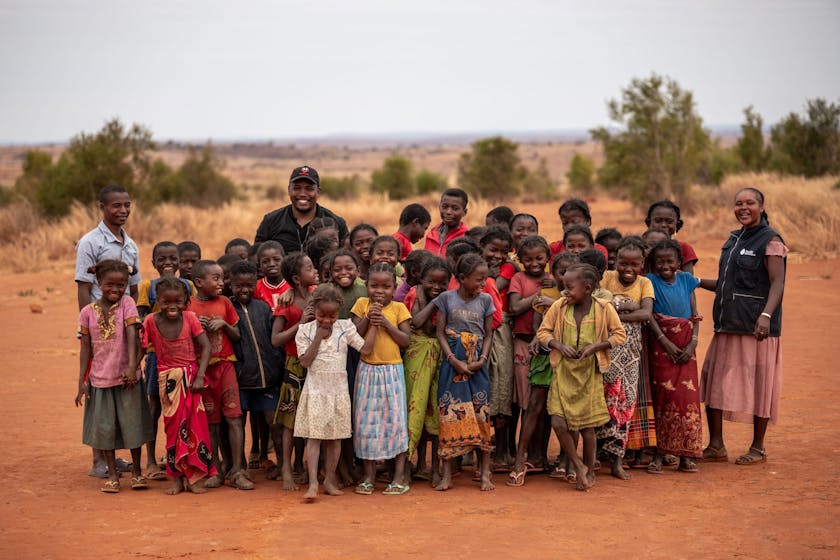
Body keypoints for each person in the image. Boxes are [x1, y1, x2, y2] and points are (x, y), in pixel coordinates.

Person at [700, 187, 786, 466]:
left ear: (761, 206)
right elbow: (725, 284)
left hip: (755, 328)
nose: (743, 207)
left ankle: (758, 447)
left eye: (750, 202)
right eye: (738, 203)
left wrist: (766, 316)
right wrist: (693, 281)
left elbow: (777, 283)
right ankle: (716, 445)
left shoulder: (770, 240)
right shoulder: (734, 239)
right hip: (727, 324)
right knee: (714, 380)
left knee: (759, 384)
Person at [537, 264, 626, 491]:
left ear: (587, 288)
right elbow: (543, 333)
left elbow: (619, 335)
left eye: (569, 287)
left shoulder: (604, 308)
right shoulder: (559, 307)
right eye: (563, 286)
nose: (564, 291)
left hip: (589, 374)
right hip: (563, 373)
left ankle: (589, 468)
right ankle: (577, 465)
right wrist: (558, 345)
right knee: (558, 421)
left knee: (587, 429)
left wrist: (597, 346)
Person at [75, 185, 141, 478]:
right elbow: (83, 287)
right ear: (101, 206)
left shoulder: (131, 245)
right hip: (99, 332)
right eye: (116, 206)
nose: (123, 211)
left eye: (126, 205)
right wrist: (86, 328)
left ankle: (114, 456)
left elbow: (135, 288)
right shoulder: (90, 242)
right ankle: (98, 461)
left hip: (123, 328)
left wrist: (135, 322)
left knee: (121, 393)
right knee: (99, 393)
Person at [76, 260, 152, 493]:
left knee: (133, 426)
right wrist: (81, 381)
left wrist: (132, 367)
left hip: (127, 379)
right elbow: (85, 348)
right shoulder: (87, 312)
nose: (116, 290)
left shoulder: (127, 304)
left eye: (121, 285)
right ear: (99, 283)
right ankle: (112, 475)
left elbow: (132, 335)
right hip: (100, 379)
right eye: (110, 284)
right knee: (105, 429)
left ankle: (137, 472)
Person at [295, 285, 375, 501]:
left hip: (339, 391)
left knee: (335, 439)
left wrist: (375, 324)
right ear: (314, 310)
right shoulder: (305, 330)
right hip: (316, 391)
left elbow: (365, 349)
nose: (327, 320)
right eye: (322, 315)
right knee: (314, 438)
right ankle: (313, 483)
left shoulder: (345, 327)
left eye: (332, 315)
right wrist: (318, 337)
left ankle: (330, 479)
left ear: (339, 311)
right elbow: (305, 362)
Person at [507, 251, 579, 486]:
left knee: (570, 411)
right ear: (553, 273)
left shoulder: (581, 297)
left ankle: (568, 461)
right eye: (561, 272)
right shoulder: (545, 294)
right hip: (546, 357)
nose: (565, 278)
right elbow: (539, 327)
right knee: (534, 407)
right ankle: (520, 459)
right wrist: (540, 337)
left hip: (572, 360)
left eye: (570, 273)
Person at [141, 276, 215, 495]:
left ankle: (194, 478)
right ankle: (176, 477)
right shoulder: (151, 321)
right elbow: (142, 349)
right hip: (168, 381)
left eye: (177, 302)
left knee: (196, 429)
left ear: (185, 302)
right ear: (158, 301)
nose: (171, 306)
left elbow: (206, 347)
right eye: (165, 301)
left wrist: (200, 377)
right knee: (173, 429)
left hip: (192, 378)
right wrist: (131, 370)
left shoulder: (190, 318)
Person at [433, 253, 496, 492]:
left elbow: (489, 334)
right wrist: (453, 359)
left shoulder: (486, 300)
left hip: (478, 365)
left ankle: (485, 474)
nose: (483, 284)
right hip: (453, 363)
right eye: (478, 279)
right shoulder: (446, 298)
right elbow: (440, 333)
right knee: (450, 414)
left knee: (481, 415)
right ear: (461, 278)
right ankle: (447, 474)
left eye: (485, 279)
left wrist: (482, 358)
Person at [136, 241, 196, 481]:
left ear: (180, 262)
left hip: (184, 355)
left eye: (173, 258)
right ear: (153, 263)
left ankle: (185, 456)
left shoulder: (188, 285)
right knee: (155, 407)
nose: (168, 263)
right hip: (155, 355)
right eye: (162, 259)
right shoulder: (147, 287)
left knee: (185, 408)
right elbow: (142, 318)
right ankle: (150, 460)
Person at [189, 260, 251, 490]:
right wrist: (197, 325)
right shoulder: (189, 306)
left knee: (234, 418)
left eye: (222, 278)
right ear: (198, 282)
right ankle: (215, 469)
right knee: (212, 424)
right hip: (203, 371)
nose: (221, 283)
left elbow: (237, 335)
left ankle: (238, 470)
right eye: (215, 278)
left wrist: (224, 324)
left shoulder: (225, 302)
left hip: (226, 366)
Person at [351, 262, 412, 495]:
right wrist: (369, 317)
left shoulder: (399, 309)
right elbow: (355, 335)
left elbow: (405, 341)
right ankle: (368, 477)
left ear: (394, 287)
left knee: (395, 423)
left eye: (386, 286)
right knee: (366, 424)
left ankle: (398, 477)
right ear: (366, 285)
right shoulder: (361, 305)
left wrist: (385, 322)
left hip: (392, 371)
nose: (380, 291)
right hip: (367, 371)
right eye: (374, 286)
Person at [645, 240, 703, 474]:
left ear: (679, 263)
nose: (665, 265)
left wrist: (693, 343)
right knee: (663, 399)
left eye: (670, 261)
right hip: (661, 347)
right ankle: (660, 453)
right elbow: (649, 316)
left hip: (687, 347)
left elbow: (695, 315)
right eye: (660, 261)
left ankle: (687, 455)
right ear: (653, 264)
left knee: (686, 400)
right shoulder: (649, 281)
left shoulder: (687, 280)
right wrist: (665, 342)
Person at [599, 236, 656, 470]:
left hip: (632, 353)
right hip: (607, 349)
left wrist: (616, 312)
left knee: (626, 402)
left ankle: (618, 461)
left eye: (634, 265)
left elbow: (646, 315)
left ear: (642, 264)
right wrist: (630, 306)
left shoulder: (645, 283)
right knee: (603, 400)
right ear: (615, 262)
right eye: (623, 263)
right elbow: (600, 305)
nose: (628, 269)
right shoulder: (606, 277)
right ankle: (596, 456)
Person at [229, 261, 284, 476]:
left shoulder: (262, 307)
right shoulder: (228, 308)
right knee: (238, 423)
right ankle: (239, 466)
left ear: (256, 284)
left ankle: (281, 464)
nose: (244, 290)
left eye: (249, 285)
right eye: (239, 286)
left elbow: (273, 339)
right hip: (241, 380)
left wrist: (276, 365)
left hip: (268, 378)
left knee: (274, 423)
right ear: (230, 284)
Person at [271, 252, 319, 490]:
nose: (315, 270)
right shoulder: (287, 305)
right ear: (297, 278)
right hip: (294, 365)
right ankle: (287, 469)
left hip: (318, 364)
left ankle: (306, 469)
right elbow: (276, 339)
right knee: (290, 421)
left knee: (311, 418)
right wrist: (300, 324)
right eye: (310, 268)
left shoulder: (317, 295)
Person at [403, 257, 451, 485]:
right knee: (415, 408)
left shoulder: (447, 299)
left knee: (435, 411)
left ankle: (433, 468)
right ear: (421, 280)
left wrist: (433, 299)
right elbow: (419, 321)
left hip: (439, 357)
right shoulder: (414, 294)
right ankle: (410, 465)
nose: (437, 287)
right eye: (431, 282)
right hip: (417, 357)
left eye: (442, 284)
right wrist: (434, 301)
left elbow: (434, 328)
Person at [507, 235, 553, 473]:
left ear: (548, 258)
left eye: (539, 258)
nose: (534, 263)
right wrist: (537, 297)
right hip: (524, 344)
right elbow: (514, 307)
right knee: (527, 402)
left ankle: (540, 454)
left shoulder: (553, 280)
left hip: (548, 348)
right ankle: (522, 453)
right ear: (521, 260)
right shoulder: (518, 278)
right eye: (528, 259)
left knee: (545, 405)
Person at [479, 226, 516, 468]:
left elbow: (495, 283)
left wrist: (487, 274)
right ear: (481, 247)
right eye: (492, 250)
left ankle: (501, 450)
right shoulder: (475, 266)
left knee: (501, 383)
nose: (498, 256)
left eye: (504, 252)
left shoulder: (508, 268)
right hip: (475, 327)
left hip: (499, 328)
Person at [254, 165, 349, 255]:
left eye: (309, 189)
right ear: (289, 190)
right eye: (297, 188)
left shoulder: (336, 223)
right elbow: (256, 257)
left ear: (318, 192)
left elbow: (346, 258)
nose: (302, 193)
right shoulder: (271, 221)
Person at [644, 200, 699, 273]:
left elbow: (688, 281)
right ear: (649, 222)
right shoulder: (639, 248)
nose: (663, 225)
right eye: (658, 221)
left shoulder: (684, 248)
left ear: (677, 224)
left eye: (669, 221)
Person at [424, 188, 469, 258]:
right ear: (439, 207)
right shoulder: (431, 235)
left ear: (464, 212)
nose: (448, 212)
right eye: (444, 207)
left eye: (455, 208)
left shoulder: (466, 238)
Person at [253, 240, 288, 312]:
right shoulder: (256, 287)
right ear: (259, 265)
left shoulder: (293, 284)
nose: (272, 264)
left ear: (284, 260)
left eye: (277, 259)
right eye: (265, 261)